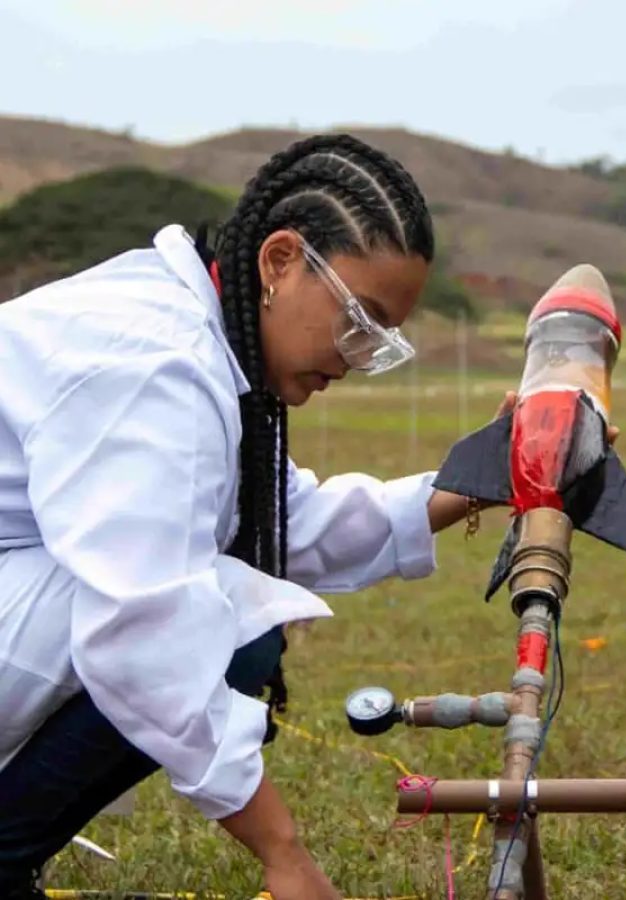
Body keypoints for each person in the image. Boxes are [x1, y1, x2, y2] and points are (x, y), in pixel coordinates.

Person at [0, 134, 507, 900]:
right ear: (279, 262)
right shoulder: (155, 364)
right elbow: (138, 632)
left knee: (229, 606)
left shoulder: (204, 340)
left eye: (379, 342)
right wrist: (284, 852)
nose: (354, 359)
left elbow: (281, 521)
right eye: (356, 323)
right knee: (223, 622)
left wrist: (483, 480)